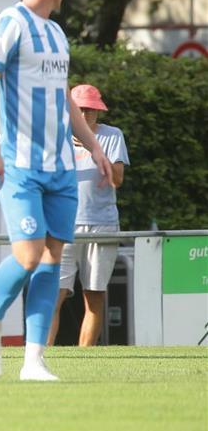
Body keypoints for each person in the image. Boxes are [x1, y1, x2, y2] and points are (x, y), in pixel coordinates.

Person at [0, 0, 113, 382]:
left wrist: (93, 145)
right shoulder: (9, 24)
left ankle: (34, 361)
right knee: (29, 255)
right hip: (21, 163)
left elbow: (64, 102)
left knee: (52, 259)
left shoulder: (56, 33)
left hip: (60, 167)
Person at [49, 84, 129, 347]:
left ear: (98, 110)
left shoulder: (112, 135)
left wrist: (92, 148)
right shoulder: (55, 137)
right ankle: (39, 357)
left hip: (102, 225)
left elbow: (117, 179)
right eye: (80, 109)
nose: (85, 115)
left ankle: (85, 358)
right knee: (53, 295)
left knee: (93, 296)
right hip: (63, 225)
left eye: (91, 109)